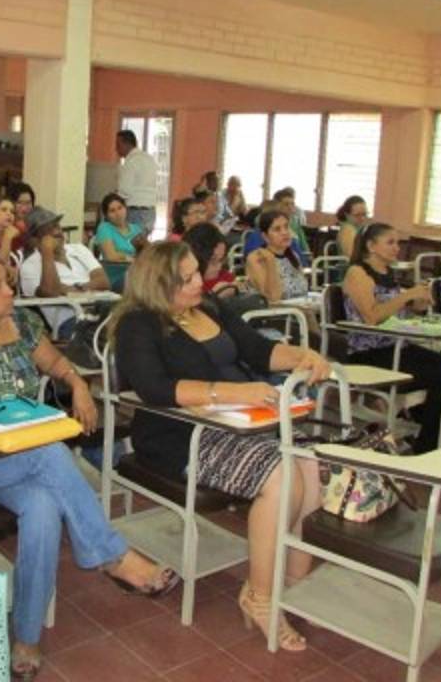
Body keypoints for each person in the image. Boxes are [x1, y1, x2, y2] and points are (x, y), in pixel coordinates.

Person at [0, 251, 177, 679]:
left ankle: (26, 636)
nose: (9, 291)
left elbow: (57, 364)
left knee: (44, 507)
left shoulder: (24, 325)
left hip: (15, 459)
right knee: (49, 452)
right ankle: (111, 555)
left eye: (8, 282)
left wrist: (78, 385)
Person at [108, 241, 332, 652]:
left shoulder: (209, 307)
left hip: (244, 422)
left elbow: (258, 350)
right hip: (181, 434)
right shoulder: (139, 324)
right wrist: (233, 392)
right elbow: (154, 388)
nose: (200, 281)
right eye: (187, 278)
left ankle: (293, 583)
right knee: (280, 474)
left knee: (309, 463)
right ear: (158, 285)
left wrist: (305, 354)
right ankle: (259, 597)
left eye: (197, 272)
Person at [341, 222, 441, 454]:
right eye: (390, 242)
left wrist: (418, 304)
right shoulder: (357, 273)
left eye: (397, 243)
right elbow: (372, 317)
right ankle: (428, 441)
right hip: (369, 352)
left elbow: (395, 312)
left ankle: (433, 435)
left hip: (397, 345)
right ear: (371, 246)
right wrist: (405, 296)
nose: (396, 248)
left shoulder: (388, 273)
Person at [18, 207, 108, 337]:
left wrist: (76, 288)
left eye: (57, 226)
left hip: (99, 312)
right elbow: (51, 291)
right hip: (70, 320)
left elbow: (103, 282)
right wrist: (47, 253)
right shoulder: (30, 266)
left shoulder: (79, 249)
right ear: (35, 240)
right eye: (47, 231)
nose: (57, 232)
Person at [245, 209, 309, 303]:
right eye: (277, 229)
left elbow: (304, 290)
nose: (284, 232)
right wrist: (271, 261)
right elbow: (272, 298)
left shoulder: (293, 256)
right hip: (272, 310)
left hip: (299, 307)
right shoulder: (256, 258)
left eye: (286, 227)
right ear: (265, 237)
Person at [92, 192, 145, 292]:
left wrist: (123, 256)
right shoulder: (104, 228)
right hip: (115, 276)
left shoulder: (136, 229)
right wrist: (128, 257)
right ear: (107, 216)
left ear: (125, 208)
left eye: (120, 208)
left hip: (137, 272)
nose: (118, 213)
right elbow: (110, 256)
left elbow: (146, 254)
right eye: (112, 211)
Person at [115, 129, 159, 238]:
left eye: (118, 145)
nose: (116, 149)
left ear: (127, 144)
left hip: (135, 213)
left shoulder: (131, 161)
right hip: (150, 212)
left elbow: (124, 191)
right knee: (141, 245)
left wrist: (113, 198)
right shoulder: (149, 158)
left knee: (129, 244)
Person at [183, 222, 241, 297]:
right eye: (213, 262)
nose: (219, 267)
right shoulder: (184, 285)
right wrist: (213, 296)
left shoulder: (225, 276)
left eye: (221, 260)